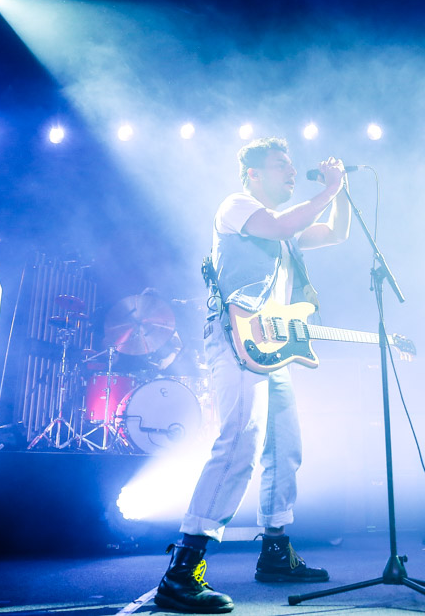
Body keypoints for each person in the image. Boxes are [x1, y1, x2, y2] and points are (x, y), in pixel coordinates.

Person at [155, 137, 351, 613]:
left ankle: (275, 552)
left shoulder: (287, 232)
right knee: (240, 442)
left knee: (285, 447)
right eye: (280, 166)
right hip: (236, 339)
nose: (290, 172)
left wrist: (338, 192)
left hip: (273, 348)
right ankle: (183, 569)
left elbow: (336, 233)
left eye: (291, 166)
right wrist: (327, 191)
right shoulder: (237, 206)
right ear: (253, 175)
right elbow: (284, 221)